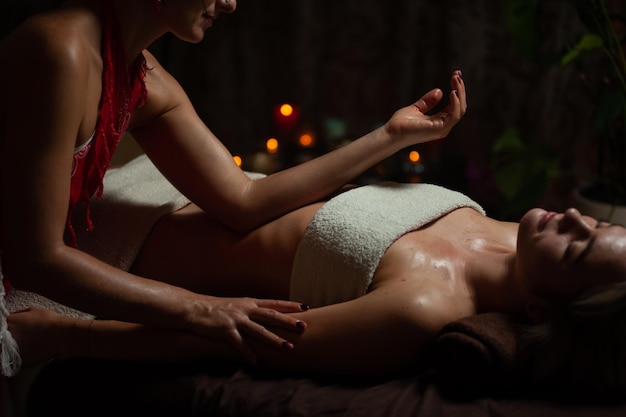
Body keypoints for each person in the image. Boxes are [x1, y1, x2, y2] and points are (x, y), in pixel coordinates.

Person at [0, 0, 468, 376]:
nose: (229, 4)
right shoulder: (58, 50)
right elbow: (34, 257)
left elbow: (243, 201)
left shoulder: (143, 76)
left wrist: (390, 137)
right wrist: (200, 310)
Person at [8, 181, 626, 397]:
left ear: (542, 307)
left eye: (578, 244)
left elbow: (228, 339)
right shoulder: (502, 229)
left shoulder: (421, 308)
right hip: (169, 189)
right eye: (594, 222)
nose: (571, 217)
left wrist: (72, 336)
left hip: (112, 252)